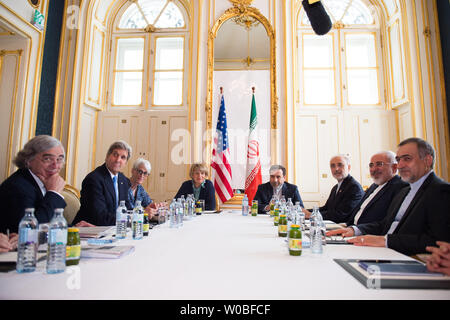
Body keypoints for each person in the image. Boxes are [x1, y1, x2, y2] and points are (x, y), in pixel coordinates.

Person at [327, 137, 450, 256]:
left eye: (407, 159)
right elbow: (385, 224)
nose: (400, 165)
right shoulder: (405, 191)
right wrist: (356, 230)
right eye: (398, 159)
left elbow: (438, 241)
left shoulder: (441, 191)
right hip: (383, 250)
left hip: (407, 258)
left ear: (427, 160)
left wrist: (386, 241)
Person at [0, 135, 67, 233]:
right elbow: (31, 229)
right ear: (28, 160)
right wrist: (53, 193)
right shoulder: (17, 186)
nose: (55, 165)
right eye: (48, 159)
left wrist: (77, 227)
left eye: (59, 159)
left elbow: (52, 222)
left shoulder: (41, 181)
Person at [72, 140, 133, 226]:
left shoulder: (123, 180)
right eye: (115, 155)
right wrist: (130, 219)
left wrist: (142, 213)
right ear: (107, 156)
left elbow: (127, 208)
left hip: (113, 229)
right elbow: (99, 216)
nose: (118, 160)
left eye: (123, 157)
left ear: (126, 163)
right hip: (89, 231)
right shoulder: (93, 179)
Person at [345, 151, 408, 226]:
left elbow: (387, 222)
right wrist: (346, 225)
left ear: (394, 167)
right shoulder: (374, 186)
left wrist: (356, 230)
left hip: (369, 234)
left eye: (379, 164)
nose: (373, 169)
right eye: (371, 165)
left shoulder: (401, 188)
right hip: (352, 229)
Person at [303, 154, 364, 223]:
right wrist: (306, 211)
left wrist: (312, 215)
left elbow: (341, 214)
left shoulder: (354, 187)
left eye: (340, 165)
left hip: (344, 227)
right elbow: (326, 208)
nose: (336, 169)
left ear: (349, 167)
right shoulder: (335, 188)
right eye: (333, 166)